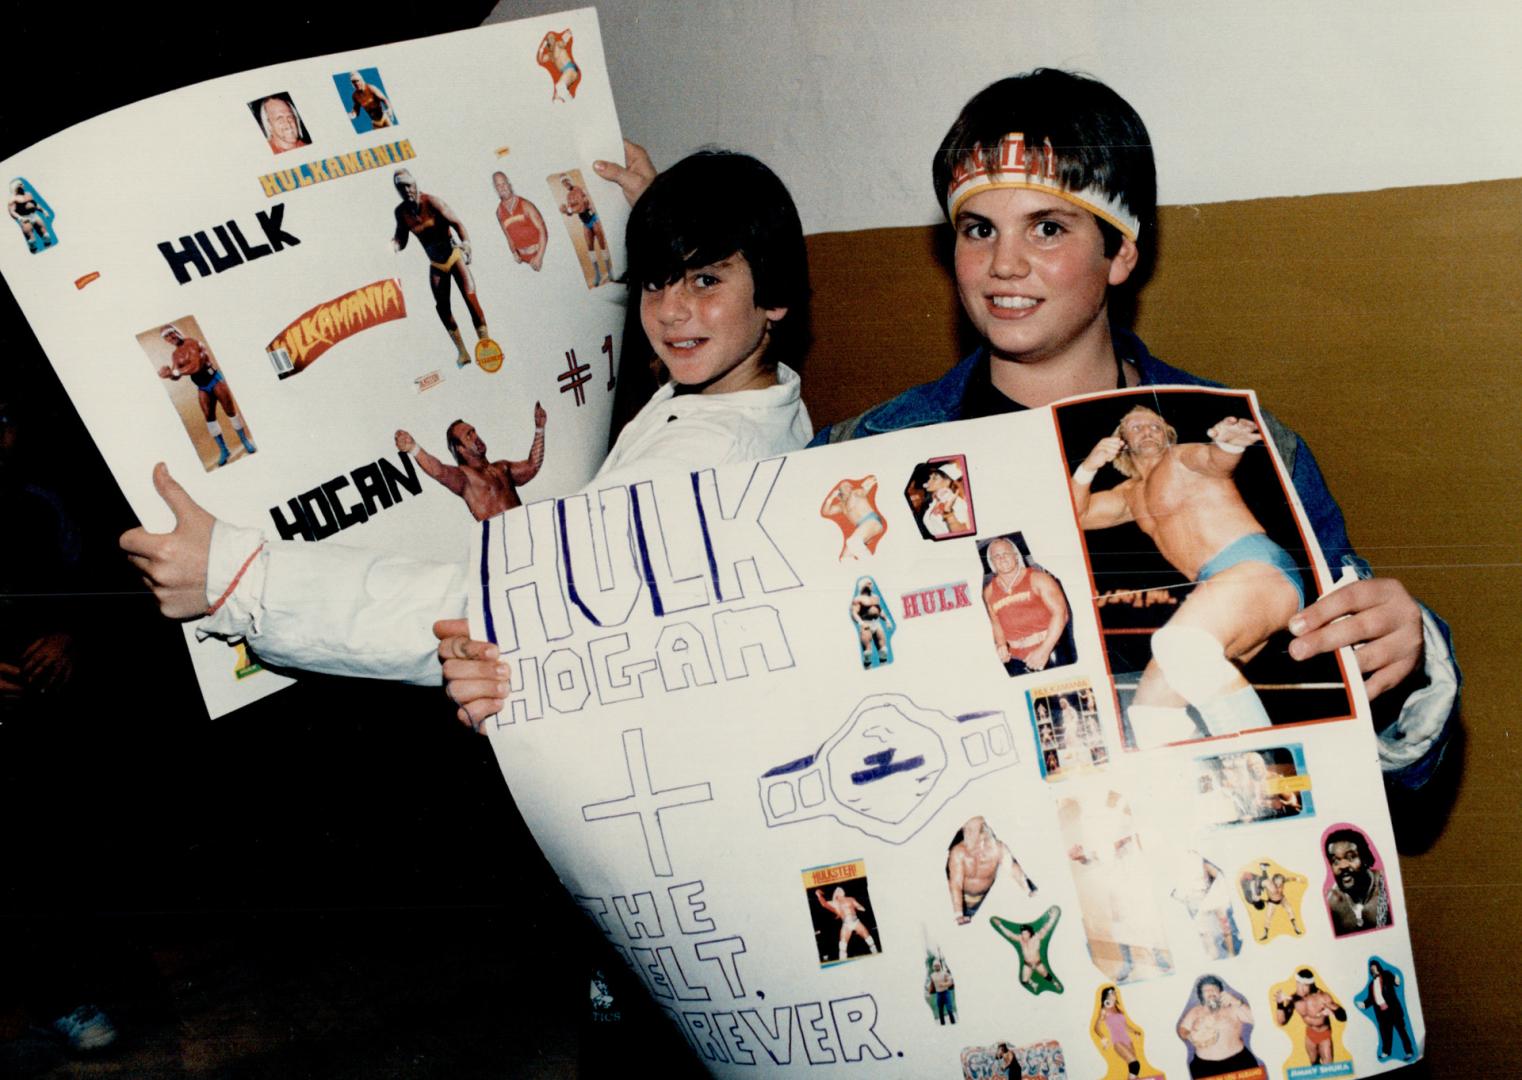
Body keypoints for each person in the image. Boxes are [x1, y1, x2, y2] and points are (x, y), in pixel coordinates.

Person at [808, 68, 1456, 793]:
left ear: (1121, 254)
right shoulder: (857, 460)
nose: (1003, 264)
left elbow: (1385, 765)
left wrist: (1409, 656)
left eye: (1048, 228)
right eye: (978, 229)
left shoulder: (1254, 443)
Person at [122, 150, 812, 725]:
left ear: (774, 295)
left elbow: (482, 612)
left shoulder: (698, 464)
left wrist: (237, 578)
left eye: (705, 279)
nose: (670, 310)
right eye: (657, 281)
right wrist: (662, 218)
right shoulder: (756, 393)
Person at [1071, 407, 1300, 746]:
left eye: (1155, 425)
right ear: (1121, 443)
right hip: (1221, 587)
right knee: (1151, 712)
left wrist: (1229, 445)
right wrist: (1088, 467)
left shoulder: (1181, 458)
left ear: (1168, 435)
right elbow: (1077, 515)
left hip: (1256, 566)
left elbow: (1213, 461)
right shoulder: (1129, 495)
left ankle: (1271, 770)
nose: (1147, 430)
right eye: (1136, 427)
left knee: (1181, 646)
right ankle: (1233, 794)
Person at [391, 168, 490, 369]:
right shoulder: (401, 213)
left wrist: (467, 244)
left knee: (470, 297)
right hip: (436, 263)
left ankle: (486, 345)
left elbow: (457, 223)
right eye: (402, 188)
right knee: (442, 308)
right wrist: (391, 246)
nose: (407, 191)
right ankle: (462, 352)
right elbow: (401, 239)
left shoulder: (432, 202)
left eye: (409, 185)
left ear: (415, 184)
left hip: (453, 255)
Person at [395, 406, 546, 522]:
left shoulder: (502, 467)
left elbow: (532, 467)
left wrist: (540, 428)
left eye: (474, 432)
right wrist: (413, 448)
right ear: (461, 449)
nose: (476, 437)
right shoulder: (466, 478)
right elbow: (439, 471)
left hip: (524, 530)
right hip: (500, 543)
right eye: (469, 435)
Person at [156, 325, 256, 468]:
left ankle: (245, 441)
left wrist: (175, 372)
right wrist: (169, 375)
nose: (171, 338)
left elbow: (196, 366)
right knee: (209, 418)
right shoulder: (175, 355)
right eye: (167, 337)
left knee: (230, 412)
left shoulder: (192, 343)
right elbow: (176, 375)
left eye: (172, 333)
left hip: (215, 379)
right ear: (165, 340)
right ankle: (224, 450)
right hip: (202, 386)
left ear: (178, 331)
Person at [980, 537, 1069, 675]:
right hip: (1015, 660)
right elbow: (996, 623)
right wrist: (1001, 645)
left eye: (1006, 553)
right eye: (996, 556)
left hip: (1050, 651)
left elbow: (1061, 613)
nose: (1002, 558)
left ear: (1016, 556)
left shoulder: (1038, 578)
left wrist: (1044, 650)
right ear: (991, 562)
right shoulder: (988, 592)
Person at [945, 815, 1036, 923]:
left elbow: (1012, 868)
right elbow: (956, 883)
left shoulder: (998, 848)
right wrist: (958, 913)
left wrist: (1028, 890)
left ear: (983, 834)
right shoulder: (959, 852)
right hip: (959, 900)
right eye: (966, 830)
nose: (967, 833)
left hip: (981, 900)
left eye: (972, 831)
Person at [1177, 975, 1258, 1078]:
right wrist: (1189, 1036)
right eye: (1206, 990)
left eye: (1214, 989)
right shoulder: (1195, 1011)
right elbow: (1182, 1030)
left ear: (1220, 992)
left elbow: (1257, 1020)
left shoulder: (1233, 1008)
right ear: (1201, 995)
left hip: (1239, 1062)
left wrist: (1238, 1003)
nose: (1210, 992)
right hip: (1204, 1067)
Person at [1323, 827, 1390, 934]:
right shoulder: (1331, 902)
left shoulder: (1387, 887)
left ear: (1365, 859)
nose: (1343, 866)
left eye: (1351, 857)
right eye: (1335, 861)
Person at [1274, 969, 1346, 1066]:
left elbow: (1343, 1017)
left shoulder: (1322, 998)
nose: (1301, 989)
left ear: (1311, 985)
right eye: (1298, 984)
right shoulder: (1295, 999)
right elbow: (1282, 1022)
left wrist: (1333, 1012)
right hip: (1310, 1035)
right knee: (1314, 1065)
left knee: (1328, 1068)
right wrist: (1280, 1005)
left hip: (1324, 1036)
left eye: (1305, 985)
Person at [989, 909, 1062, 993]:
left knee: (1047, 976)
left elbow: (1046, 928)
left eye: (1025, 933)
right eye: (1022, 933)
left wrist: (1052, 917)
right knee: (1024, 981)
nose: (1023, 935)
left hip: (1038, 963)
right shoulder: (1020, 939)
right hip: (1027, 965)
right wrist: (1000, 925)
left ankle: (1055, 984)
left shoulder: (1037, 937)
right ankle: (1033, 984)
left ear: (1030, 933)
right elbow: (1009, 934)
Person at [559, 174, 613, 286]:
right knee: (590, 248)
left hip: (593, 219)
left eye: (567, 180)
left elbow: (581, 206)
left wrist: (568, 209)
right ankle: (598, 274)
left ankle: (610, 271)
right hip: (585, 222)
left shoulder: (578, 189)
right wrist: (565, 211)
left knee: (602, 245)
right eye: (563, 182)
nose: (566, 183)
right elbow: (571, 213)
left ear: (570, 180)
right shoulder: (568, 196)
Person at [1356, 959, 1414, 1060]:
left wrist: (1397, 981)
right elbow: (1371, 999)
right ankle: (1386, 1052)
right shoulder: (1371, 985)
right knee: (1385, 1034)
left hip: (1393, 1010)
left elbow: (1395, 983)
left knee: (1402, 1031)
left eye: (1374, 967)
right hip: (1382, 1013)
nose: (1373, 970)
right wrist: (1364, 1004)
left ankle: (1409, 1051)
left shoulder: (1387, 975)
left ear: (1378, 967)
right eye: (1371, 969)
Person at [492, 171, 548, 271]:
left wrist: (539, 257)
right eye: (498, 185)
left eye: (504, 183)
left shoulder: (525, 204)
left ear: (509, 184)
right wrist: (514, 253)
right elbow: (508, 237)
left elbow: (542, 230)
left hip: (540, 256)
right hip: (524, 261)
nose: (502, 187)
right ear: (496, 189)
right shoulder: (499, 212)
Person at [821, 476, 882, 560]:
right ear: (839, 491)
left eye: (849, 486)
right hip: (863, 526)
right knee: (845, 557)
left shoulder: (855, 493)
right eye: (845, 486)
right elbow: (826, 512)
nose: (849, 487)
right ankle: (868, 568)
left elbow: (863, 492)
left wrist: (867, 486)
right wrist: (831, 498)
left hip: (871, 521)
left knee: (854, 541)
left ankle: (874, 565)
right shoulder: (841, 506)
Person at [1093, 985, 1145, 1077]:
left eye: (1114, 993)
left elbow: (1125, 1026)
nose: (1114, 994)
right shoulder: (1104, 1010)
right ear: (1106, 996)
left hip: (1128, 1040)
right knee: (1134, 1065)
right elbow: (1096, 1027)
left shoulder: (1117, 1009)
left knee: (1134, 1070)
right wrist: (1103, 1037)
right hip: (1118, 1041)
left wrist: (1134, 1031)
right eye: (1112, 993)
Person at [813, 886, 877, 962]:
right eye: (838, 892)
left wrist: (861, 908)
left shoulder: (850, 899)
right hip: (847, 925)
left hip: (856, 922)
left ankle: (876, 955)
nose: (839, 892)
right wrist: (818, 895)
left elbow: (859, 906)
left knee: (869, 940)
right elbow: (824, 904)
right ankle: (842, 962)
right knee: (842, 947)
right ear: (837, 895)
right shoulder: (835, 903)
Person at [849, 579, 893, 668]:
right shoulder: (858, 599)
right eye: (868, 583)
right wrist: (861, 623)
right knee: (867, 653)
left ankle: (884, 669)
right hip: (866, 624)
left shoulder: (875, 597)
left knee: (883, 650)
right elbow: (854, 613)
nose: (871, 584)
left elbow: (879, 611)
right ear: (863, 585)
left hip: (877, 623)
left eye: (871, 583)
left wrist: (887, 620)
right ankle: (868, 670)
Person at [8, 178, 54, 251]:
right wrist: (20, 218)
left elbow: (35, 204)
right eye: (20, 184)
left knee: (46, 236)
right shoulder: (13, 199)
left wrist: (43, 211)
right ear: (16, 187)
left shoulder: (28, 194)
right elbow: (12, 211)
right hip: (24, 218)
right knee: (31, 241)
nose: (23, 185)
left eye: (22, 184)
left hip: (34, 215)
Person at [537, 29, 581, 102]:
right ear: (547, 42)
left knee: (560, 86)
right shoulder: (550, 55)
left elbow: (564, 42)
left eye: (552, 37)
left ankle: (575, 104)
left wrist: (567, 35)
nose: (551, 39)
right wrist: (542, 47)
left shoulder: (558, 44)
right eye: (549, 39)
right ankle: (573, 105)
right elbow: (540, 59)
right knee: (556, 98)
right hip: (566, 72)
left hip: (570, 69)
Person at [925, 958, 955, 1024]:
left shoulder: (945, 973)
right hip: (939, 994)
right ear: (933, 967)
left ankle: (953, 1023)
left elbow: (950, 982)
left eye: (937, 965)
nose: (936, 967)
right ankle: (942, 1025)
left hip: (946, 993)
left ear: (940, 966)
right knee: (940, 1011)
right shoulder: (932, 975)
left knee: (949, 1009)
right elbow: (931, 985)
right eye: (935, 966)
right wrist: (928, 994)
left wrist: (944, 984)